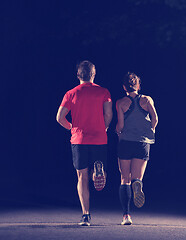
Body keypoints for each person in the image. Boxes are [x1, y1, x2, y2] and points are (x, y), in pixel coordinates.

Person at [56, 60, 113, 226]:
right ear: (93, 75)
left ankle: (86, 215)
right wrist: (105, 127)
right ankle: (98, 170)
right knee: (97, 168)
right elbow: (108, 114)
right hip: (99, 138)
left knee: (82, 176)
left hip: (79, 139)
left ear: (78, 75)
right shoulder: (104, 92)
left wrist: (72, 128)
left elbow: (59, 117)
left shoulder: (71, 93)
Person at [116, 72, 158, 225]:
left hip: (126, 142)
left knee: (124, 179)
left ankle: (126, 216)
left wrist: (117, 131)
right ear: (138, 86)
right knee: (136, 177)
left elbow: (120, 126)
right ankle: (137, 183)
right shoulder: (147, 100)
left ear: (124, 87)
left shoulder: (120, 103)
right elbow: (155, 118)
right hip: (143, 143)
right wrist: (151, 129)